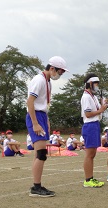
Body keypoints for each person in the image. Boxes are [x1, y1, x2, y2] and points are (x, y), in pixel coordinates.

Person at [26, 56, 68, 197]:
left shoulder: (47, 81)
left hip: (42, 116)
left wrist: (46, 120)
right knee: (41, 154)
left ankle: (36, 185)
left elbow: (43, 103)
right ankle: (36, 187)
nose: (60, 75)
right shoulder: (39, 80)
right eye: (60, 72)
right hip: (35, 116)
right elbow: (30, 102)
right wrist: (35, 123)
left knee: (40, 153)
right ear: (52, 68)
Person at [80, 73, 108, 188]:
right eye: (95, 83)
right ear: (90, 84)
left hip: (95, 124)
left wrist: (102, 106)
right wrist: (101, 110)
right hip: (90, 125)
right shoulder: (86, 96)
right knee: (89, 154)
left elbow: (97, 111)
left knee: (92, 154)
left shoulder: (93, 96)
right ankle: (88, 179)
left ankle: (90, 178)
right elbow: (88, 114)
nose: (97, 86)